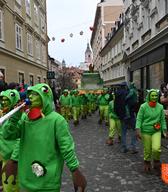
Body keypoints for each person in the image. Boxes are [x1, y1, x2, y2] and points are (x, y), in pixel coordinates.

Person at [3, 83, 87, 192]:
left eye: (35, 94)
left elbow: (66, 147)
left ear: (45, 96)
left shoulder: (57, 120)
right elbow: (8, 135)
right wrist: (14, 118)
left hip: (48, 182)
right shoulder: (25, 117)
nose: (31, 97)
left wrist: (75, 170)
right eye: (29, 94)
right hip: (26, 179)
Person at [136, 89, 167, 174]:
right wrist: (138, 129)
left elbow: (162, 119)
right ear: (149, 96)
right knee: (147, 148)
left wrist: (164, 130)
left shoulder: (160, 107)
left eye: (156, 96)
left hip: (156, 131)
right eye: (152, 95)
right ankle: (147, 162)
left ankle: (156, 161)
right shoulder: (143, 106)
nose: (154, 97)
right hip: (145, 131)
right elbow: (139, 119)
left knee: (156, 148)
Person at [0, 89, 21, 192]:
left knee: (11, 187)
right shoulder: (3, 114)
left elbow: (21, 140)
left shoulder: (20, 116)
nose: (3, 102)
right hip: (3, 156)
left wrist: (14, 159)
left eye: (6, 100)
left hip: (12, 159)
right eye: (2, 100)